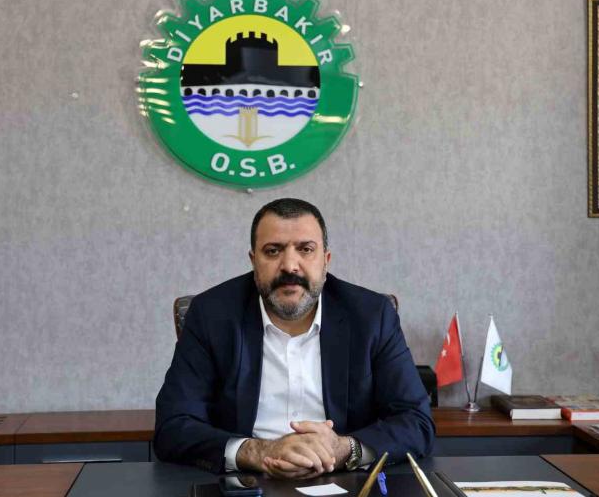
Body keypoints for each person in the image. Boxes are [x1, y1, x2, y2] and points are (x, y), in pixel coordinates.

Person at [153, 198, 435, 478]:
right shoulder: (211, 315)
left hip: (346, 477)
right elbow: (173, 426)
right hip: (247, 481)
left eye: (305, 249)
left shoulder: (372, 316)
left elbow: (416, 421)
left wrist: (343, 449)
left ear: (326, 261)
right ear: (254, 261)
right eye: (273, 251)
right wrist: (258, 452)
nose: (290, 266)